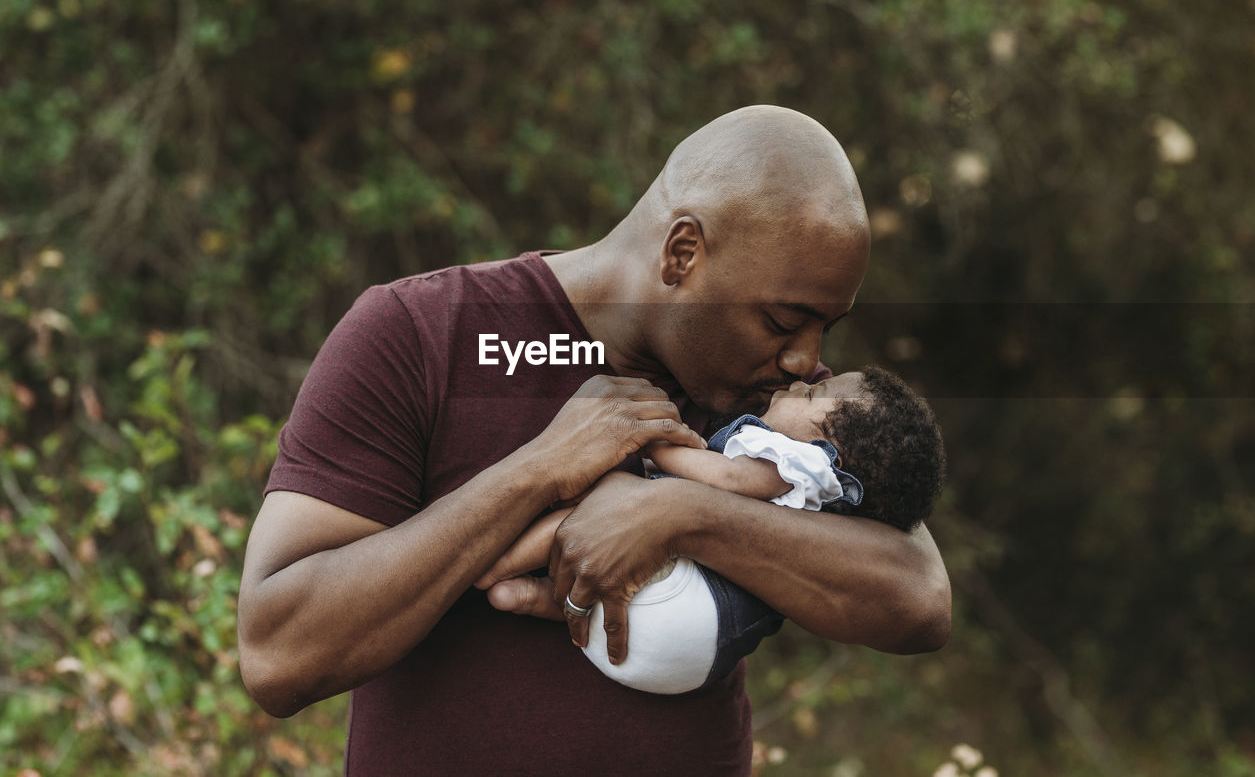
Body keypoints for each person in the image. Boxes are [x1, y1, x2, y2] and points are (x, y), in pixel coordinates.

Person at [236, 105, 951, 775]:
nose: (805, 360)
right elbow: (279, 653)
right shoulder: (422, 334)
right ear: (682, 253)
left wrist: (679, 517)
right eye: (782, 319)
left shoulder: (782, 406)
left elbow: (916, 599)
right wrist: (537, 472)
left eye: (827, 328)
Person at [477, 367, 946, 695]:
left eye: (809, 396)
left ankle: (491, 565)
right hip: (683, 654)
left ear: (830, 451)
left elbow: (728, 479)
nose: (805, 377)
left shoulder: (801, 462)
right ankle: (532, 596)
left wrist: (654, 441)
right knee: (612, 528)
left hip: (682, 616)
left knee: (610, 497)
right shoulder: (830, 493)